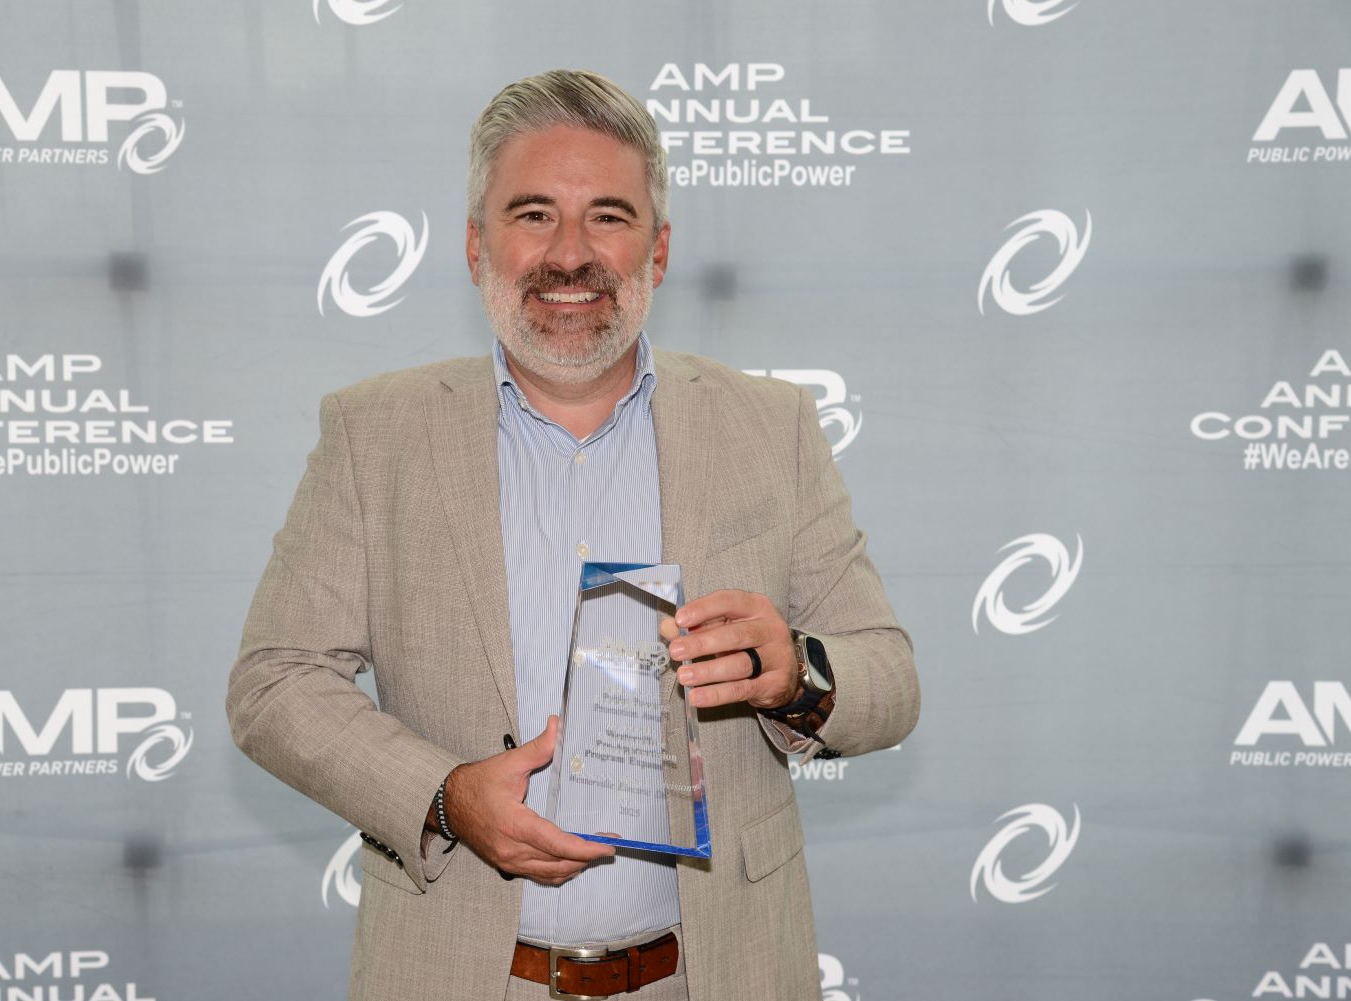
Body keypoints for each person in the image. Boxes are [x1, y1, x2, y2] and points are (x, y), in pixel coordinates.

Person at [227, 68, 918, 1001]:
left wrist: (797, 671)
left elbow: (889, 678)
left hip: (712, 976)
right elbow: (274, 683)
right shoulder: (373, 434)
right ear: (476, 245)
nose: (569, 254)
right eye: (533, 214)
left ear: (658, 250)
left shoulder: (771, 427)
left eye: (608, 216)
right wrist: (444, 796)